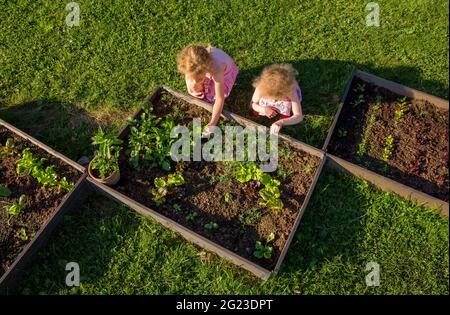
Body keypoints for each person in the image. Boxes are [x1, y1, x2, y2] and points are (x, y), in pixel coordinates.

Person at [176, 44, 238, 136]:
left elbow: (220, 98)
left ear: (206, 71)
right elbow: (188, 72)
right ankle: (199, 82)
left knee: (211, 98)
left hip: (224, 75)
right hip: (207, 70)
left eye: (200, 79)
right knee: (193, 84)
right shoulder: (193, 61)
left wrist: (212, 123)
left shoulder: (217, 69)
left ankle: (205, 86)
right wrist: (190, 89)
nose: (193, 81)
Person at [251, 63, 303, 134]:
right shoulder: (261, 87)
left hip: (286, 100)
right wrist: (263, 109)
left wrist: (281, 122)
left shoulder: (291, 92)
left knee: (290, 104)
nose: (274, 101)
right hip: (268, 104)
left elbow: (298, 116)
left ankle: (283, 114)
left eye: (277, 99)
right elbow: (253, 104)